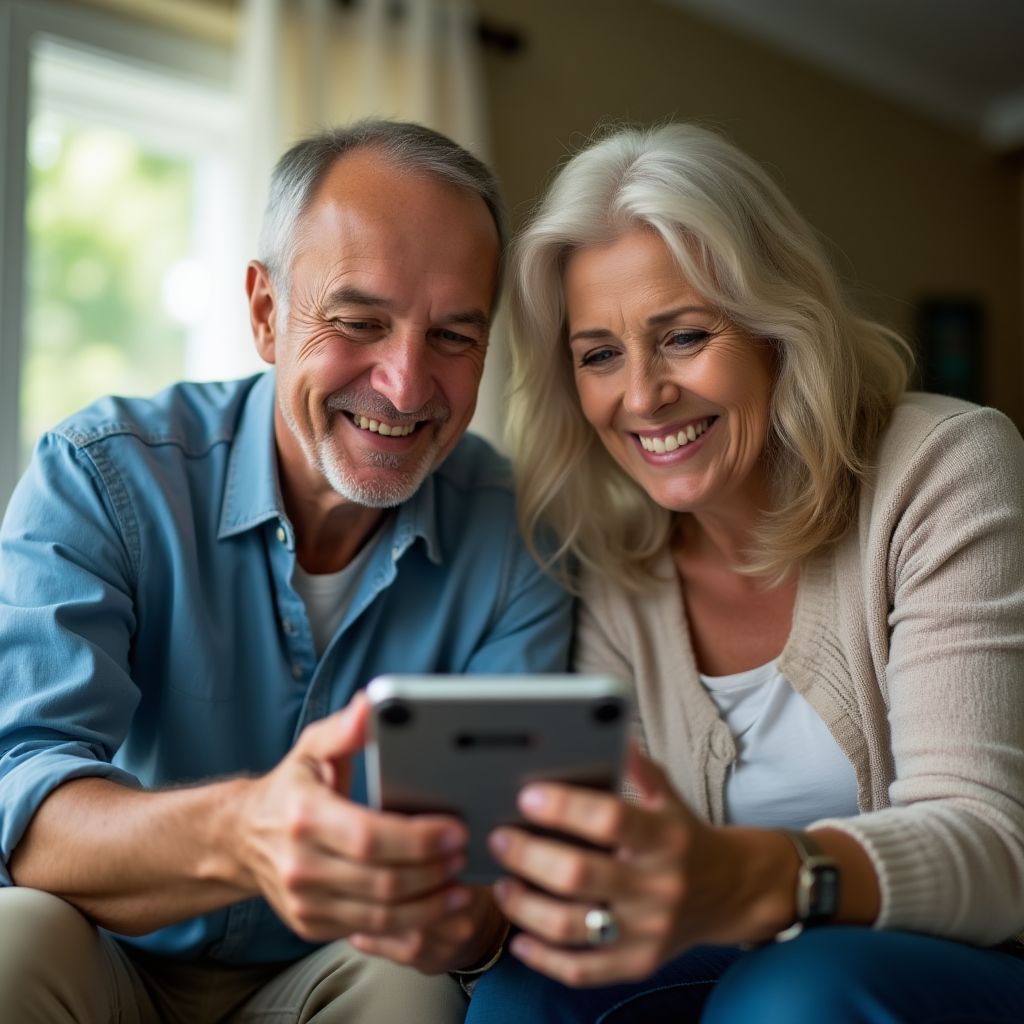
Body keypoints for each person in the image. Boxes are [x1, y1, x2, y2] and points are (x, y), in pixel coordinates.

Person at [0, 119, 571, 1022]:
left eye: (454, 337)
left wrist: (476, 901)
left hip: (333, 972)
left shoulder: (520, 537)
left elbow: (489, 890)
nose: (405, 384)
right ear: (267, 312)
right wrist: (246, 830)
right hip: (104, 947)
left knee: (410, 989)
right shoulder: (101, 475)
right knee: (10, 937)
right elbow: (24, 814)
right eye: (358, 322)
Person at [465, 123, 1024, 1023]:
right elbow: (635, 878)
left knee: (789, 993)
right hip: (739, 961)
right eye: (599, 353)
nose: (642, 396)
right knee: (527, 994)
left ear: (775, 324)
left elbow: (998, 847)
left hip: (970, 957)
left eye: (683, 336)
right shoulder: (607, 563)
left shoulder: (944, 466)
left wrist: (755, 877)